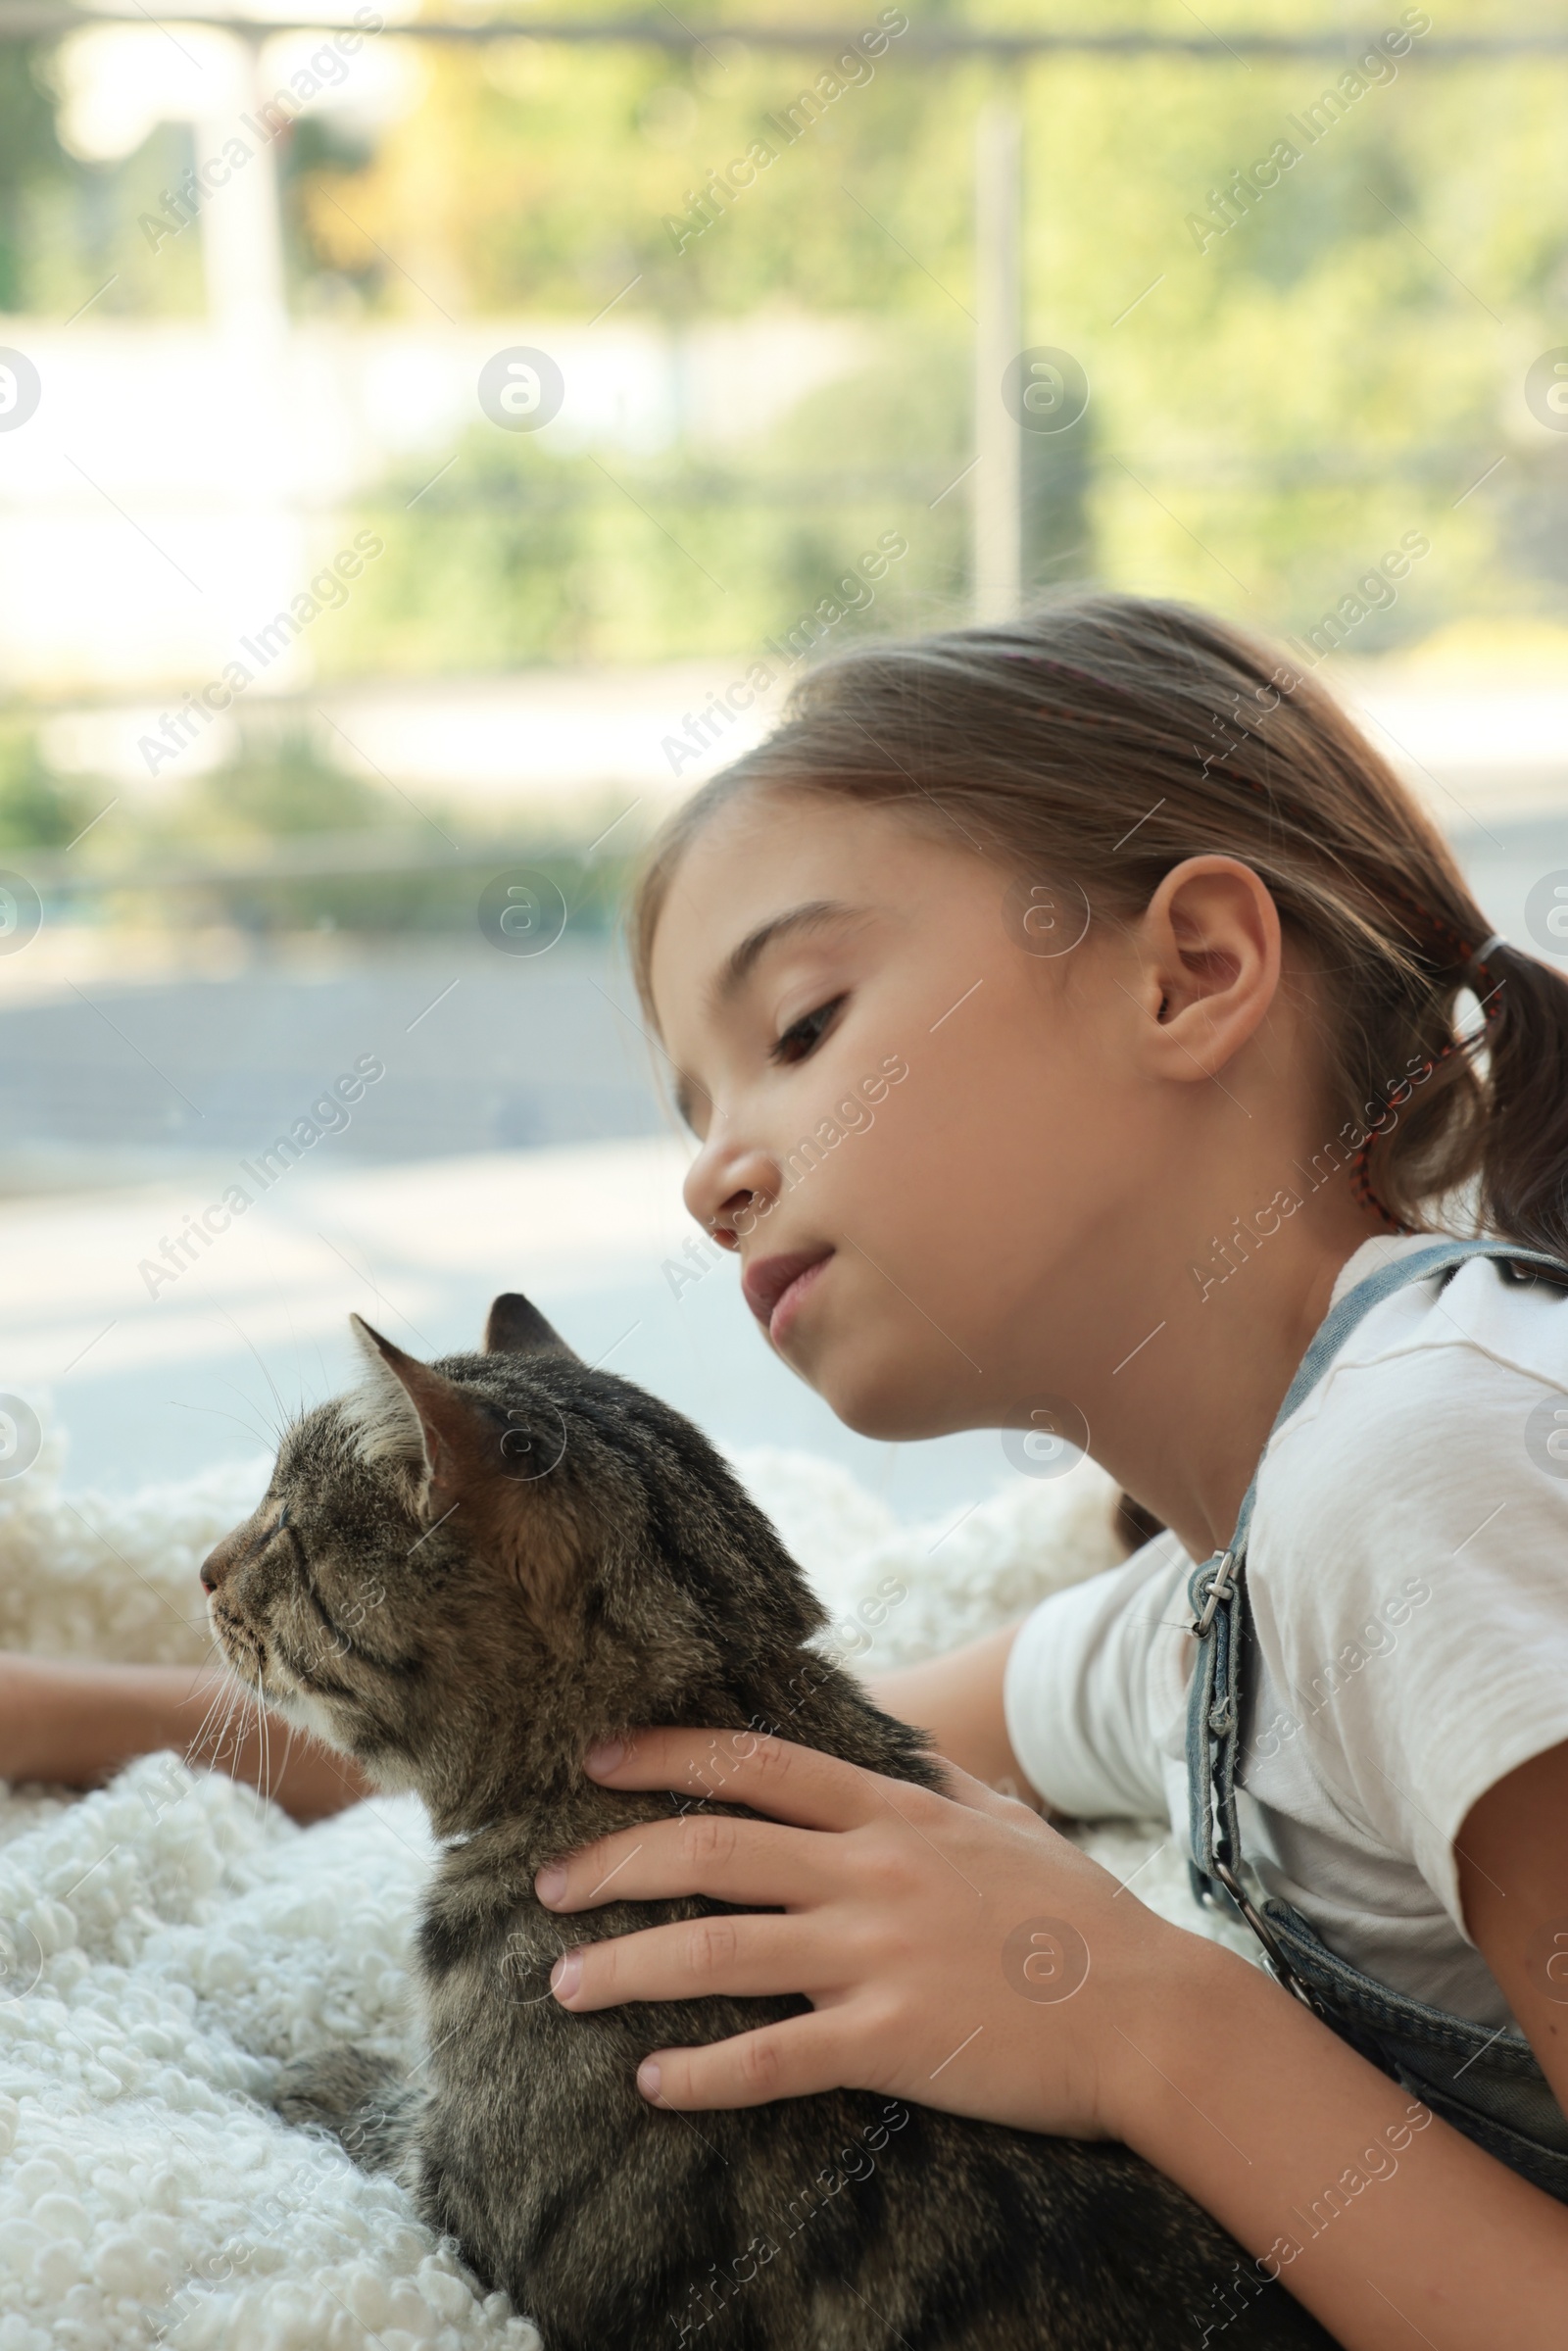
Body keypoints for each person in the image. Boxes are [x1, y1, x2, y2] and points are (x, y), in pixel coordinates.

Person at [520, 594, 1568, 2349]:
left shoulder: (1428, 1479)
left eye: (798, 1029)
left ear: (1192, 971)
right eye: (694, 1115)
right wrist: (67, 1713)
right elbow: (693, 1741)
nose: (711, 1181)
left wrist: (1131, 2018)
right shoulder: (1211, 1613)